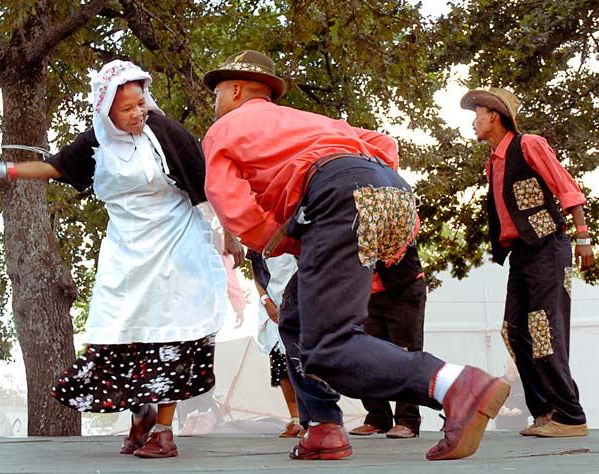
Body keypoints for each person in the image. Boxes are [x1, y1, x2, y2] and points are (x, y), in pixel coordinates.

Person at [201, 49, 510, 461]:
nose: (214, 103)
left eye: (216, 94)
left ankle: (453, 383)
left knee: (328, 344)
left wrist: (284, 241)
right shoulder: (309, 121)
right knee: (294, 316)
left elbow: (230, 203)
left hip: (335, 192)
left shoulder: (224, 128)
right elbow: (384, 143)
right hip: (387, 188)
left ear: (235, 90)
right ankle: (323, 427)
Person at [0, 60, 243, 458]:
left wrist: (230, 235)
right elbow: (55, 167)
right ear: (106, 108)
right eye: (127, 109)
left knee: (171, 334)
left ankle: (164, 430)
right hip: (126, 252)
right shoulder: (97, 141)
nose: (137, 113)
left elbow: (206, 183)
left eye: (141, 103)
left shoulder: (164, 131)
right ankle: (138, 416)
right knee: (120, 332)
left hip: (175, 247)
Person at [460, 87, 594, 437]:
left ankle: (571, 415)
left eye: (477, 114)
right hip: (521, 253)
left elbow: (567, 188)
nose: (474, 122)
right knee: (514, 330)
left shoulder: (528, 144)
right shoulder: (494, 161)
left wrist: (583, 238)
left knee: (543, 328)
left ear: (494, 115)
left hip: (548, 247)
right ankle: (546, 411)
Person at [348, 247, 427, 439]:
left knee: (405, 354)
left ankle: (407, 420)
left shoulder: (397, 215)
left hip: (403, 286)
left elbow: (409, 226)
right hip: (366, 292)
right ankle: (378, 417)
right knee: (364, 356)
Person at [246, 250, 304, 438]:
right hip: (272, 302)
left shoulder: (296, 232)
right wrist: (266, 301)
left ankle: (313, 417)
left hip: (300, 300)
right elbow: (255, 271)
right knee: (281, 365)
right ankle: (295, 418)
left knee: (304, 363)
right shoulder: (258, 240)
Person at [494, 358, 530, 431]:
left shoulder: (524, 383)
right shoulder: (497, 383)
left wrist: (522, 410)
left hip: (521, 426)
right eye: (509, 372)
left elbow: (532, 404)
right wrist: (499, 409)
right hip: (501, 427)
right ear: (505, 368)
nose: (511, 375)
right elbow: (489, 404)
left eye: (514, 372)